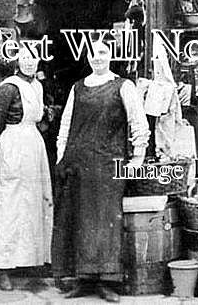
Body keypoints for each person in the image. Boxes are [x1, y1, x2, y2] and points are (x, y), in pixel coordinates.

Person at [53, 40, 149, 301]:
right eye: (93, 53)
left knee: (106, 223)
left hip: (108, 165)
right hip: (77, 165)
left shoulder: (123, 86)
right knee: (79, 222)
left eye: (103, 53)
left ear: (111, 55)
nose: (98, 58)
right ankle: (83, 280)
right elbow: (65, 126)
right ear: (87, 56)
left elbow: (138, 122)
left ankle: (108, 282)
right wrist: (63, 158)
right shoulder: (77, 88)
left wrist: (137, 159)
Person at [0, 47, 54, 291]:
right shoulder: (9, 86)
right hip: (13, 144)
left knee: (35, 202)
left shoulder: (37, 85)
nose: (29, 62)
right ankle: (2, 268)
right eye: (24, 58)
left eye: (33, 58)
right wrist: (3, 152)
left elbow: (38, 119)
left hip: (33, 145)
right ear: (17, 61)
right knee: (11, 204)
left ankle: (31, 261)